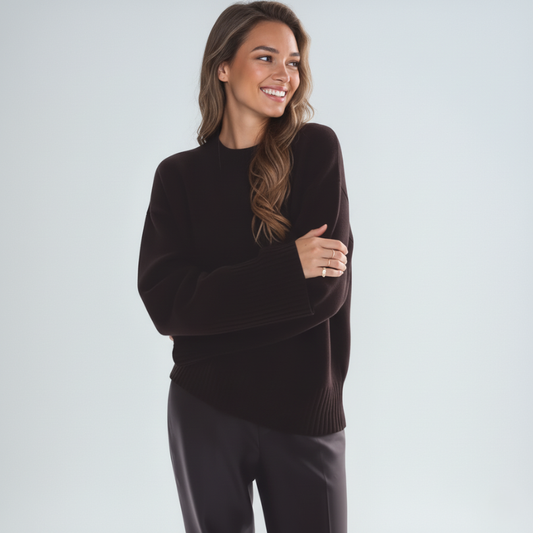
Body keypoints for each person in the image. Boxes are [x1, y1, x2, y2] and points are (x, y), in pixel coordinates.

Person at [138, 2, 353, 532]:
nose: (285, 74)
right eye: (266, 57)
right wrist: (288, 269)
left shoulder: (316, 150)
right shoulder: (177, 177)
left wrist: (206, 318)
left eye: (293, 62)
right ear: (223, 66)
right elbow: (166, 304)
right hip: (204, 407)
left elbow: (325, 293)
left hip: (304, 411)